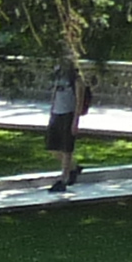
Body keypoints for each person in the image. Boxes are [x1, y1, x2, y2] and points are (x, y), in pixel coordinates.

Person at [44, 50, 85, 192]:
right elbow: (54, 94)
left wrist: (76, 121)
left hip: (69, 114)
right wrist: (51, 111)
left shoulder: (77, 80)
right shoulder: (58, 76)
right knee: (53, 147)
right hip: (57, 112)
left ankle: (63, 179)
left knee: (67, 148)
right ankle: (73, 168)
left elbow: (79, 101)